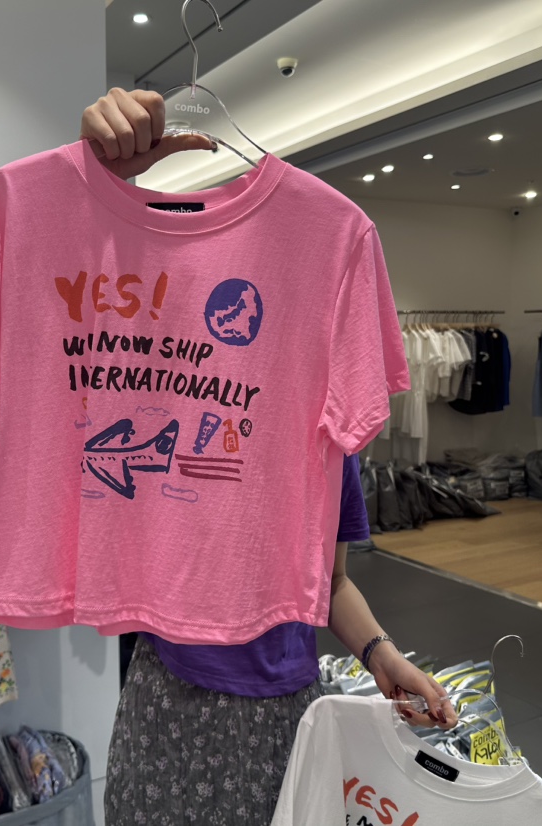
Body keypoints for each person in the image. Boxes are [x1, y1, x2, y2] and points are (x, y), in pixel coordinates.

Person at [80, 89, 456, 825]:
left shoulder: (321, 422)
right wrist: (96, 184)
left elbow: (331, 581)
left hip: (283, 711)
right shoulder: (170, 406)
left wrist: (381, 654)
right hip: (166, 697)